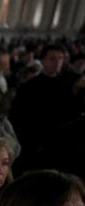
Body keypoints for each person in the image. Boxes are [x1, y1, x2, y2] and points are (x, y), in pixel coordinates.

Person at [10, 44, 84, 173]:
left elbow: (74, 113)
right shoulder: (28, 88)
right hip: (37, 145)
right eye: (52, 59)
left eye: (60, 58)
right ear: (43, 61)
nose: (57, 62)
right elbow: (18, 118)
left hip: (64, 145)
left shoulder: (70, 84)